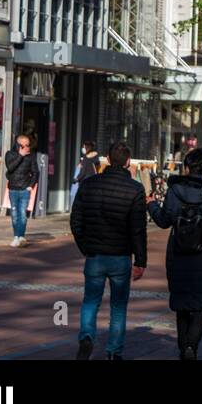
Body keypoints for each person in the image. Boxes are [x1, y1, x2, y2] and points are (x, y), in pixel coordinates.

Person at [148, 146, 202, 360]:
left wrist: (151, 205)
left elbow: (163, 221)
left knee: (182, 304)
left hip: (178, 253)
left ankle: (182, 346)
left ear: (186, 167)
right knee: (200, 304)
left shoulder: (175, 190)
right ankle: (191, 348)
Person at [69, 140, 148, 360]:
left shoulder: (89, 184)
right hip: (121, 256)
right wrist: (140, 261)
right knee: (118, 307)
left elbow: (76, 220)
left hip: (94, 254)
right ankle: (114, 351)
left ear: (107, 159)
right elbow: (138, 229)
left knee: (90, 300)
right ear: (128, 162)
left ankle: (86, 338)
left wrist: (84, 246)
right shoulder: (135, 189)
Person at [3, 134, 39, 247]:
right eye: (25, 145)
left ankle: (20, 236)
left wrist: (31, 186)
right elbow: (10, 168)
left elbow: (36, 172)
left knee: (22, 213)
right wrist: (20, 155)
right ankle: (16, 237)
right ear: (19, 145)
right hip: (13, 189)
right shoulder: (10, 154)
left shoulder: (31, 156)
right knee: (14, 213)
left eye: (28, 145)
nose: (28, 147)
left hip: (24, 189)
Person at [71, 140, 100, 204]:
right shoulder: (96, 156)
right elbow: (97, 166)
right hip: (93, 181)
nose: (83, 148)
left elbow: (83, 172)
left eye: (84, 146)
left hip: (85, 182)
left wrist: (76, 179)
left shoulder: (86, 158)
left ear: (88, 147)